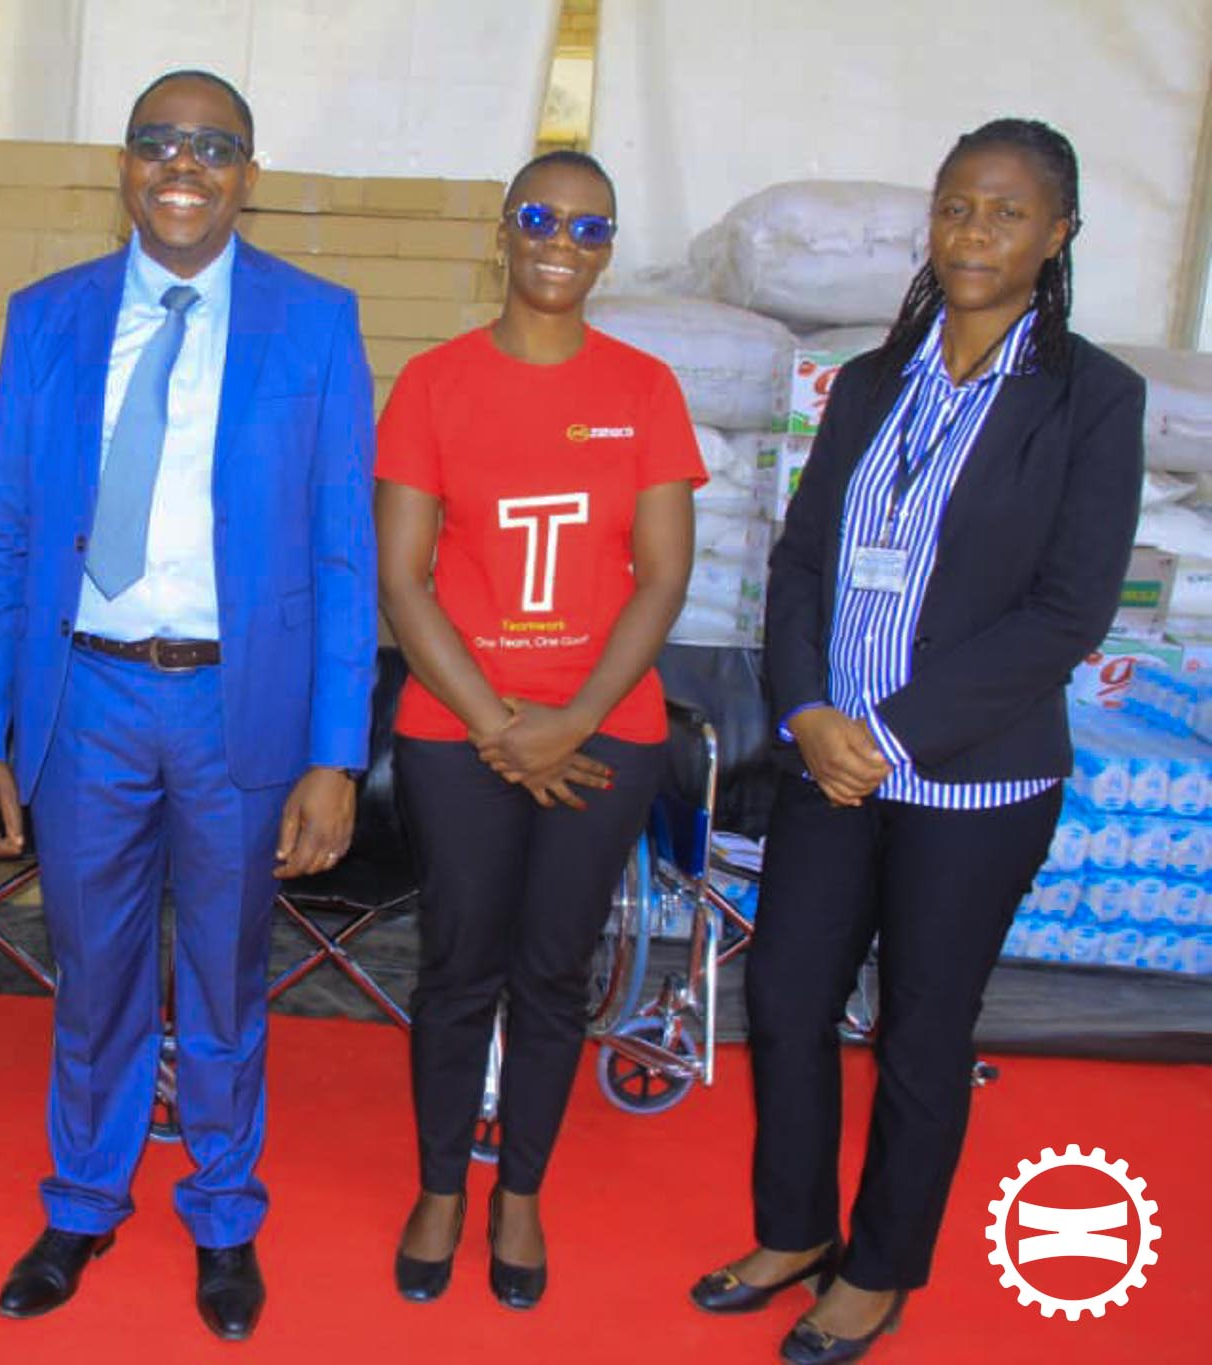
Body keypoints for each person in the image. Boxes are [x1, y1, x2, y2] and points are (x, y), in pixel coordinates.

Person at [689, 119, 1143, 1364]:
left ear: (1056, 235)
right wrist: (806, 714)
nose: (972, 232)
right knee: (783, 996)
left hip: (972, 780)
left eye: (1005, 212)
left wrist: (884, 735)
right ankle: (793, 1232)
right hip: (830, 761)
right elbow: (797, 566)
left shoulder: (1092, 399)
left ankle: (877, 1269)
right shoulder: (869, 383)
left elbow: (1067, 610)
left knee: (921, 1031)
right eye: (953, 207)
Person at [0, 69, 376, 1343]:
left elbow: (343, 554)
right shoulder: (48, 317)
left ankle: (224, 1212)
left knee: (227, 974)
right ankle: (82, 1200)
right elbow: (2, 537)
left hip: (237, 704)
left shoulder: (315, 323)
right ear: (122, 166)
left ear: (247, 174)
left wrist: (334, 756)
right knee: (92, 971)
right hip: (84, 696)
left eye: (211, 146)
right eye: (156, 142)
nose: (181, 166)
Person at [375, 151, 702, 1310]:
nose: (561, 241)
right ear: (502, 230)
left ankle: (518, 1193)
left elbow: (661, 579)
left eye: (587, 226)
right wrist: (497, 726)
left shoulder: (644, 390)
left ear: (607, 248)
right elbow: (402, 579)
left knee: (554, 972)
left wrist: (571, 722)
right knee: (458, 964)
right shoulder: (433, 385)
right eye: (539, 217)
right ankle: (438, 1189)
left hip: (603, 729)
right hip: (455, 727)